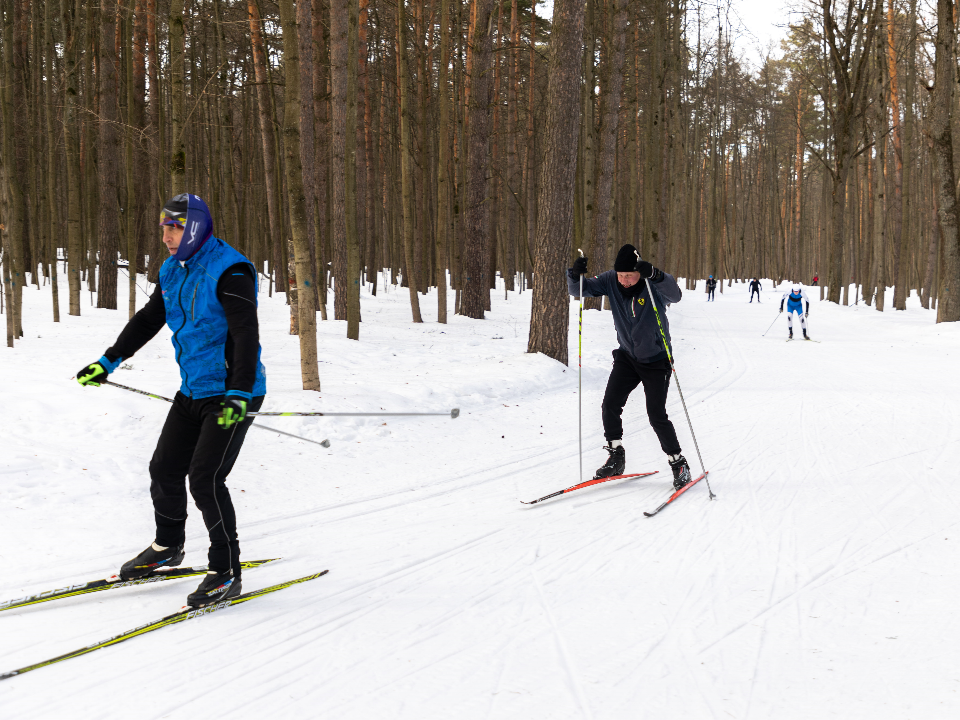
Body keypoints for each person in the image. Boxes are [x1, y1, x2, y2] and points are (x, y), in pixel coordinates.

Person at [76, 193, 267, 608]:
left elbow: (245, 334)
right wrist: (108, 361)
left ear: (195, 227)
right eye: (164, 227)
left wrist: (238, 390)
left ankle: (226, 571)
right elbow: (149, 319)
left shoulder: (230, 269)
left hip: (234, 392)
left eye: (175, 227)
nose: (166, 235)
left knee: (205, 479)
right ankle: (168, 545)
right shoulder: (171, 270)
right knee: (163, 468)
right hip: (193, 390)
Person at [568, 244, 692, 491]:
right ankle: (616, 456)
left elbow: (675, 295)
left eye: (629, 275)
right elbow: (579, 291)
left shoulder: (651, 283)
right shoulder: (610, 280)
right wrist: (574, 274)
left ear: (639, 272)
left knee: (656, 414)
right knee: (610, 405)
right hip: (627, 357)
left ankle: (678, 463)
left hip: (657, 359)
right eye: (621, 275)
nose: (624, 281)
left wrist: (656, 275)